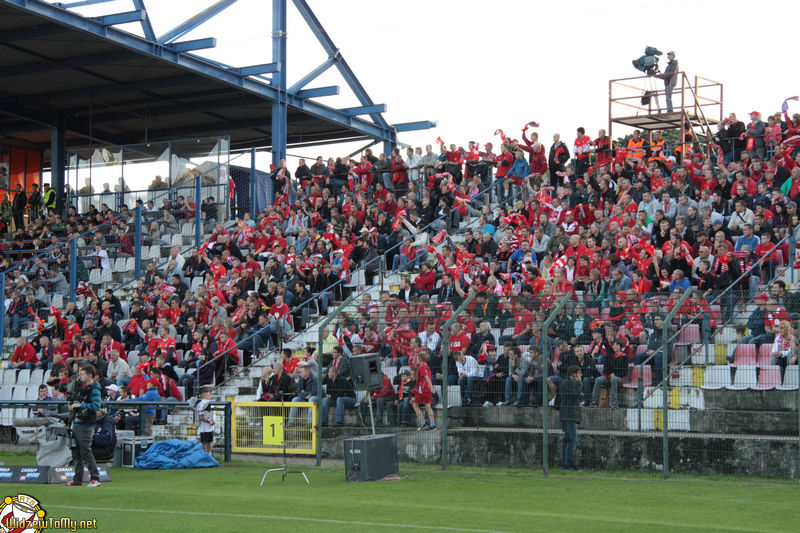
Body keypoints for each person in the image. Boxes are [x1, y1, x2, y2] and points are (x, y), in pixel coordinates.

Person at [63, 364, 103, 487]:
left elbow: (96, 406)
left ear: (90, 375)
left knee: (86, 452)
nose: (80, 376)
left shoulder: (94, 389)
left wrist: (81, 406)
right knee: (76, 452)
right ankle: (77, 479)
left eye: (82, 374)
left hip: (86, 424)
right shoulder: (83, 389)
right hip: (77, 422)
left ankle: (95, 478)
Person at [558, 365, 582, 470]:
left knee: (567, 439)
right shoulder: (567, 384)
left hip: (569, 415)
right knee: (571, 439)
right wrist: (580, 383)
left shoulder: (567, 383)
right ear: (574, 374)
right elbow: (576, 394)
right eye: (579, 373)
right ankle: (568, 464)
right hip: (568, 416)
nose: (581, 376)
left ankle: (566, 464)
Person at [288, 361, 318, 427]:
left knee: (311, 399)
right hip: (306, 397)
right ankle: (291, 421)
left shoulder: (315, 379)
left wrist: (304, 393)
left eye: (302, 372)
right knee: (295, 400)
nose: (300, 373)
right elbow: (298, 391)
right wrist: (305, 395)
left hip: (316, 396)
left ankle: (310, 422)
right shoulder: (301, 379)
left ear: (307, 372)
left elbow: (314, 392)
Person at [412, 349, 436, 431]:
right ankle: (432, 424)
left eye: (417, 359)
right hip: (427, 389)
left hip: (422, 389)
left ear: (420, 359)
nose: (416, 360)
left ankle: (423, 423)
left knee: (415, 405)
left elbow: (426, 377)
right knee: (428, 406)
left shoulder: (422, 366)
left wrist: (431, 387)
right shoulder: (426, 365)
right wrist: (431, 388)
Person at [194, 388, 215, 454]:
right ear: (203, 396)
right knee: (204, 442)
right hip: (204, 428)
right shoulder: (201, 404)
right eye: (207, 395)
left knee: (209, 441)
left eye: (209, 395)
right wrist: (209, 421)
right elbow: (201, 417)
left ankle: (209, 454)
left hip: (210, 427)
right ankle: (205, 454)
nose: (209, 397)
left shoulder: (210, 403)